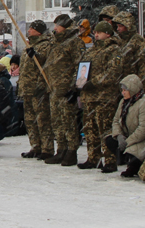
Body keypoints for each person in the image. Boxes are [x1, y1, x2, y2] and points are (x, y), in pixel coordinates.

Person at [76, 21, 123, 170]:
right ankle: (93, 158)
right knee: (90, 129)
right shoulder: (91, 50)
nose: (96, 35)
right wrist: (79, 82)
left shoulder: (113, 50)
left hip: (105, 97)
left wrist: (95, 82)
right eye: (95, 32)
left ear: (107, 34)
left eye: (99, 32)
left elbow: (113, 72)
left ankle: (110, 160)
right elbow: (83, 68)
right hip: (90, 97)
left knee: (105, 129)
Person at [43, 14, 85, 166]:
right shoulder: (55, 43)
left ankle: (71, 151)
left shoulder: (75, 42)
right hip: (54, 88)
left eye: (57, 26)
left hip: (67, 89)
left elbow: (81, 66)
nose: (54, 28)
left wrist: (76, 87)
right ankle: (61, 149)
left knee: (69, 121)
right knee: (57, 122)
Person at [104, 74, 145, 177]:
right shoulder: (123, 102)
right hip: (129, 136)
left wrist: (127, 142)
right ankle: (129, 162)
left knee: (132, 151)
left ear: (133, 89)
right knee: (110, 140)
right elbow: (116, 121)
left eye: (125, 90)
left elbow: (144, 129)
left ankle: (135, 166)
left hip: (144, 140)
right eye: (122, 90)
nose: (123, 93)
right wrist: (119, 135)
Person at [19, 20, 55, 159]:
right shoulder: (28, 46)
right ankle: (35, 146)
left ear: (38, 31)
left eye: (32, 29)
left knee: (42, 119)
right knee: (30, 120)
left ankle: (47, 148)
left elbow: (46, 63)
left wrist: (36, 55)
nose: (28, 31)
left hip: (38, 89)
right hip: (27, 89)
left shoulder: (46, 45)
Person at [110, 11, 145, 86]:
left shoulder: (138, 41)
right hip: (118, 84)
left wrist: (141, 87)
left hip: (131, 84)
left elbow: (144, 67)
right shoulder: (118, 40)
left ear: (128, 26)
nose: (118, 29)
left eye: (120, 26)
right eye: (117, 26)